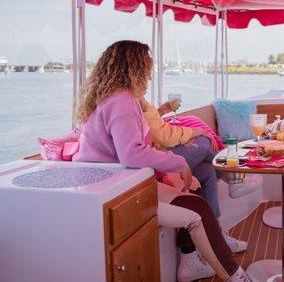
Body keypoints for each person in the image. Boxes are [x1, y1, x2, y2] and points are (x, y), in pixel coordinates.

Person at [72, 40, 253, 282]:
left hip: (120, 182)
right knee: (197, 210)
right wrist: (177, 163)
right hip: (113, 192)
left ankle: (222, 270)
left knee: (198, 201)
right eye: (146, 65)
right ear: (136, 66)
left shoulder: (110, 97)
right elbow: (131, 153)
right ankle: (236, 276)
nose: (149, 73)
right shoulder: (122, 101)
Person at [140, 98, 258, 252]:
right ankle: (233, 177)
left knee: (208, 171)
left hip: (158, 152)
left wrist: (161, 111)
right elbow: (163, 135)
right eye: (145, 73)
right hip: (152, 164)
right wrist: (197, 132)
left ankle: (216, 234)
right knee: (202, 146)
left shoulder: (137, 99)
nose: (148, 76)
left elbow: (152, 127)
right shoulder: (127, 100)